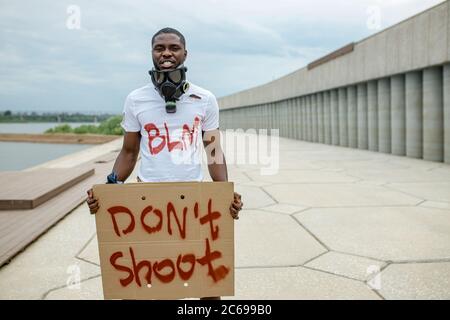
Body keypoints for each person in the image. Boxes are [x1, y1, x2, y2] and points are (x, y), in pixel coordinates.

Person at [86, 27, 243, 300]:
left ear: (185, 53)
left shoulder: (205, 99)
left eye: (173, 48)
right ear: (152, 53)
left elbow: (213, 151)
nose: (167, 53)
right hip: (148, 203)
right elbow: (129, 152)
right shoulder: (136, 99)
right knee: (147, 286)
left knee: (208, 284)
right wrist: (109, 189)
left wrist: (224, 193)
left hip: (194, 199)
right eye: (160, 48)